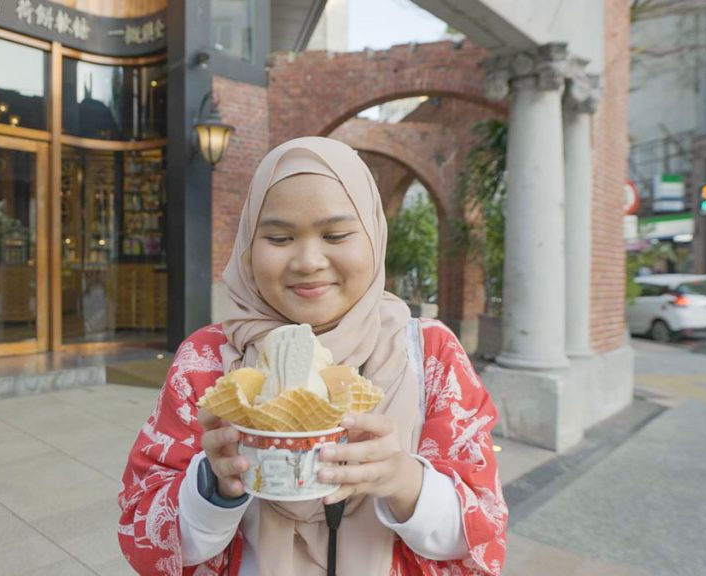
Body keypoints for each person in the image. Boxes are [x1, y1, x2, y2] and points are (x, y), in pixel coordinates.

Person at [118, 137, 507, 575]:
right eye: (280, 237)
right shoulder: (205, 360)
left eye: (336, 235)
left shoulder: (430, 354)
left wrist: (402, 480)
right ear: (248, 244)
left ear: (374, 236)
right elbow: (145, 537)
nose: (308, 260)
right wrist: (214, 487)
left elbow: (482, 535)